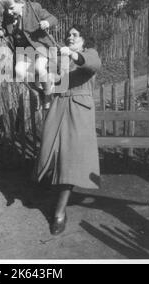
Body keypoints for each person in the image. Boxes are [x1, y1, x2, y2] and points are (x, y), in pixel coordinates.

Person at [34, 24, 102, 235]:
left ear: (84, 40)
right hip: (58, 106)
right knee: (47, 151)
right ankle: (55, 190)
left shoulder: (89, 53)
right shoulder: (60, 58)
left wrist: (72, 54)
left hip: (79, 111)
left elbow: (91, 65)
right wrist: (43, 78)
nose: (70, 37)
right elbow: (51, 83)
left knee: (70, 160)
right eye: (68, 35)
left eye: (75, 35)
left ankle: (59, 213)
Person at [0, 0, 58, 105]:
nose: (9, 11)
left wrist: (46, 22)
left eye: (12, 7)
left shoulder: (34, 8)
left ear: (22, 2)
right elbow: (6, 27)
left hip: (40, 46)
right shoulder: (7, 14)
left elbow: (53, 18)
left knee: (39, 68)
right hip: (23, 50)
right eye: (6, 8)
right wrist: (2, 31)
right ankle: (37, 91)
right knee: (19, 72)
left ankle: (47, 92)